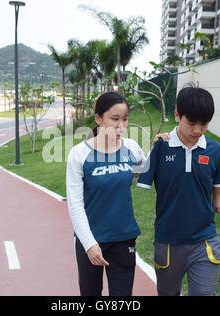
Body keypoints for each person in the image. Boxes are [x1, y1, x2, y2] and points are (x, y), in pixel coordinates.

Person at [66, 92, 164, 296]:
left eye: (125, 119)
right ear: (98, 119)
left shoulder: (131, 148)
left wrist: (155, 149)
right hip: (91, 240)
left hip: (123, 238)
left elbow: (144, 171)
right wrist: (90, 244)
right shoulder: (79, 154)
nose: (121, 126)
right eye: (115, 119)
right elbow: (75, 204)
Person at [137, 83, 220, 296]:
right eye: (192, 122)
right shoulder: (161, 147)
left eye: (204, 123)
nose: (198, 130)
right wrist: (153, 150)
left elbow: (219, 194)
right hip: (168, 243)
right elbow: (139, 179)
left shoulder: (215, 151)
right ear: (178, 115)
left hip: (204, 242)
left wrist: (218, 201)